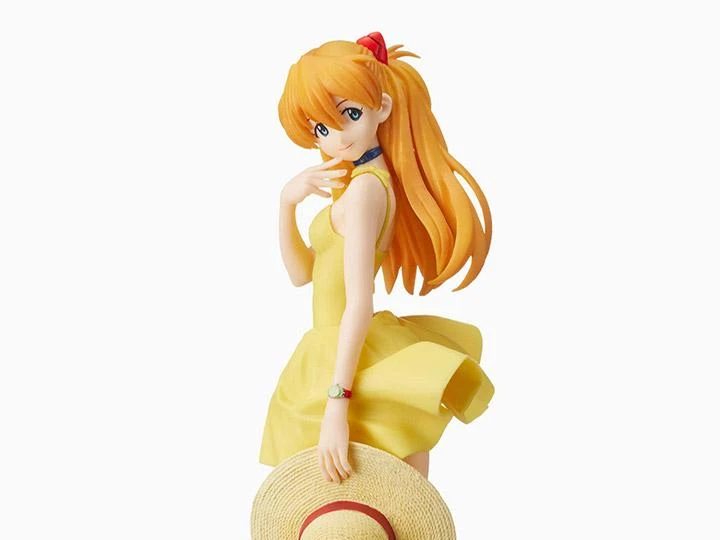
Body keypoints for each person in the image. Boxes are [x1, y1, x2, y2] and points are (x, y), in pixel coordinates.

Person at [259, 32, 494, 484]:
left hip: (345, 348)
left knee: (381, 489)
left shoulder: (366, 189)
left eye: (349, 114)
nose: (335, 138)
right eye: (321, 129)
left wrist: (337, 400)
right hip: (331, 343)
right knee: (360, 490)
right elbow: (301, 274)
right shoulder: (355, 186)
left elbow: (359, 301)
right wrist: (287, 202)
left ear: (381, 107)